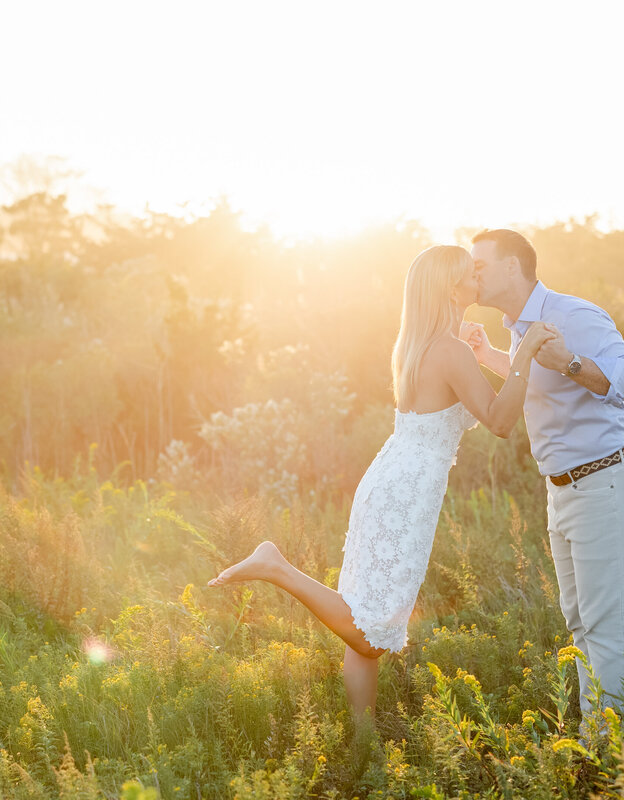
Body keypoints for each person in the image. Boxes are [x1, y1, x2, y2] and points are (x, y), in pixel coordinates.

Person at [207, 244, 555, 726]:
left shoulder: (419, 344)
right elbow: (498, 421)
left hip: (389, 479)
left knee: (364, 621)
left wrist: (479, 351)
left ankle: (363, 743)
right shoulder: (448, 349)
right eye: (469, 273)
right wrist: (525, 354)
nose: (478, 278)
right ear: (452, 287)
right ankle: (276, 567)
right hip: (405, 493)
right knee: (371, 632)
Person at [462, 228, 624, 719]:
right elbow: (538, 377)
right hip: (563, 490)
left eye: (479, 265)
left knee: (605, 628)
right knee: (581, 626)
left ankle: (614, 767)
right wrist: (488, 358)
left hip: (605, 481)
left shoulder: (573, 315)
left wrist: (570, 360)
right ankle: (601, 747)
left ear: (511, 267)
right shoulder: (516, 325)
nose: (471, 275)